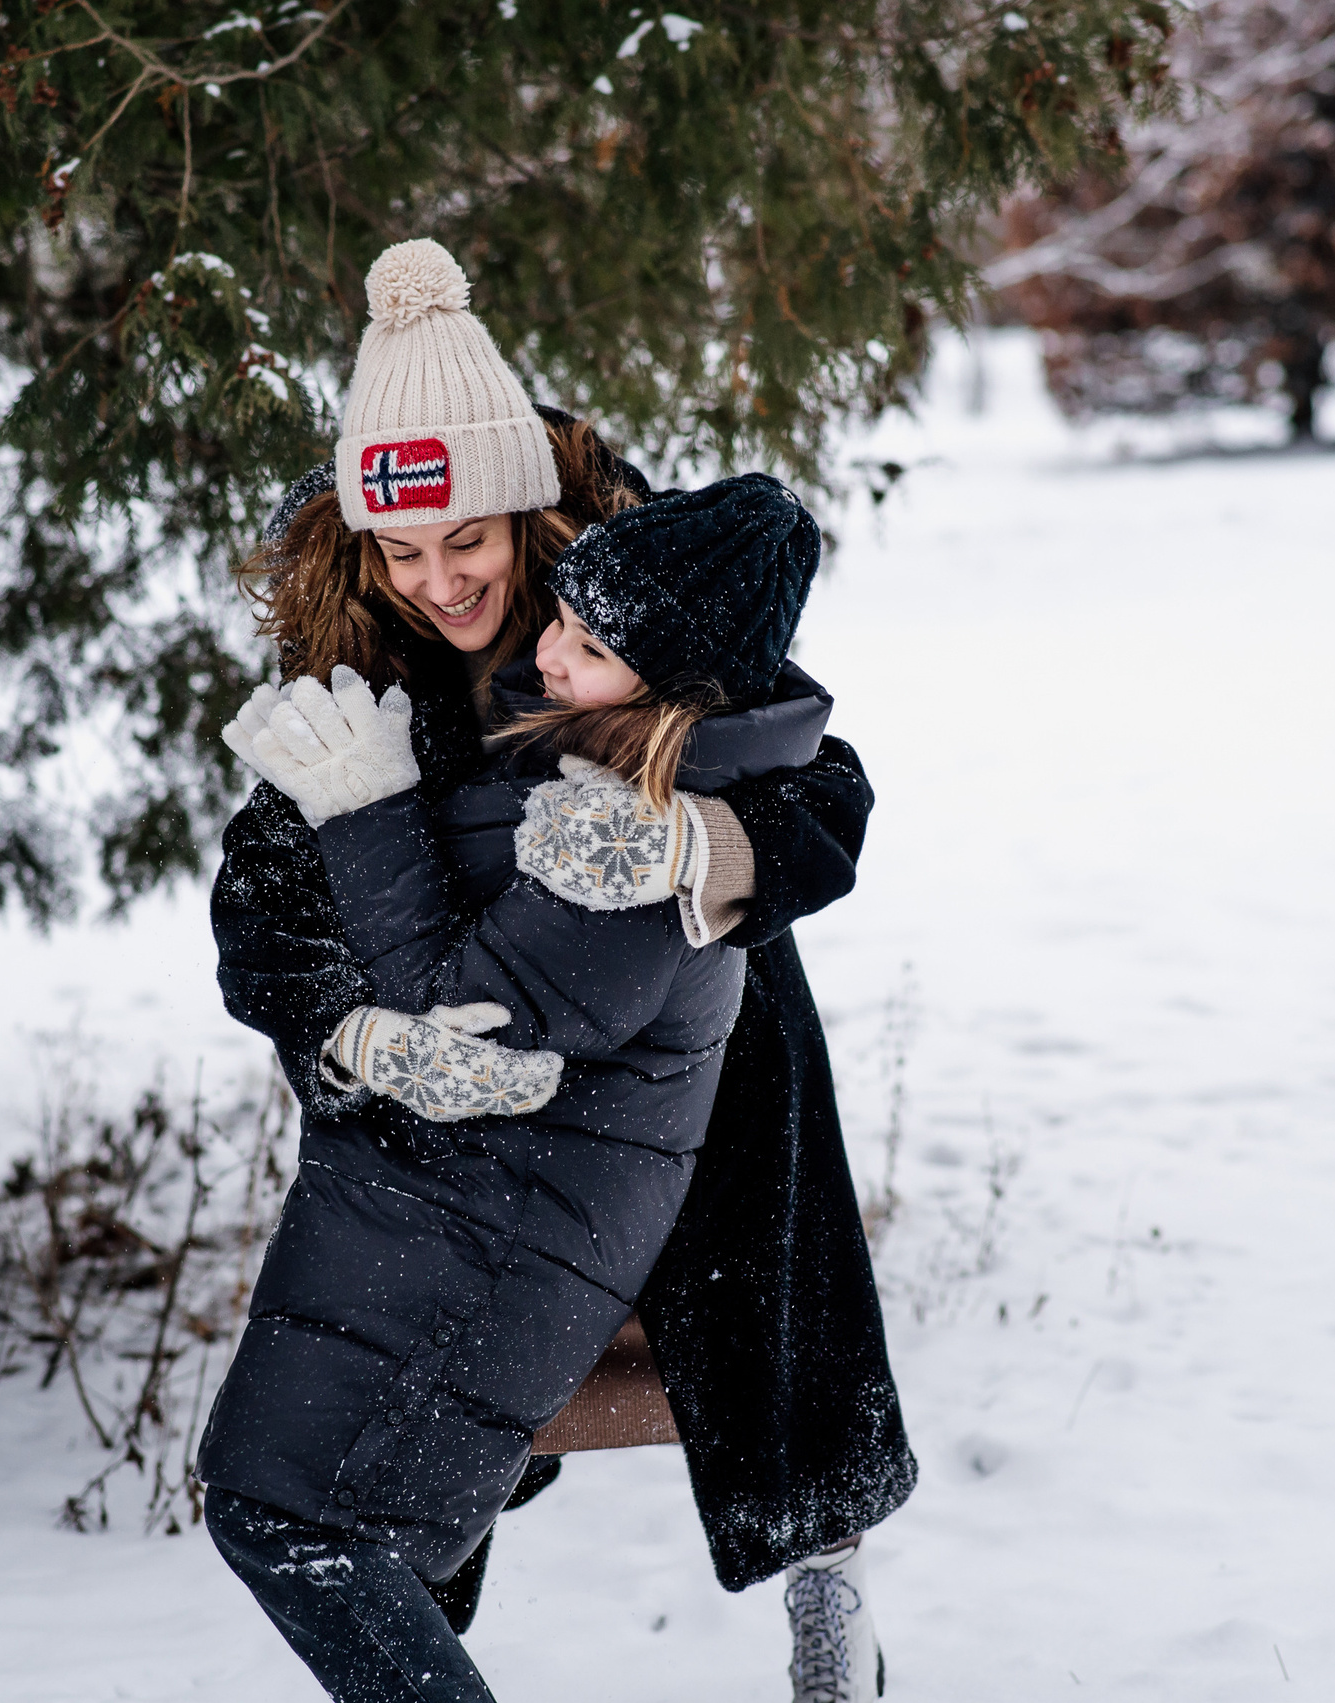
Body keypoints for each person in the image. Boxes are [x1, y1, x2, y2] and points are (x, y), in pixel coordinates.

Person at [197, 239, 913, 1702]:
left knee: (769, 1353)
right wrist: (349, 1035)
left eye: (471, 543)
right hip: (465, 1051)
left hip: (681, 1050)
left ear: (529, 507)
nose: (440, 581)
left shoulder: (643, 584)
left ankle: (825, 1587)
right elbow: (264, 896)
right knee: (422, 1381)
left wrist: (700, 851)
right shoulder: (354, 638)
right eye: (402, 550)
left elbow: (818, 783)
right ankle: (418, 1636)